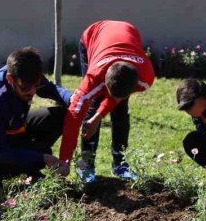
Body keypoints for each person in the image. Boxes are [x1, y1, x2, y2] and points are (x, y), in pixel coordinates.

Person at [0, 47, 72, 191]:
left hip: (13, 128)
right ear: (10, 78)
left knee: (61, 116)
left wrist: (74, 100)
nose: (32, 91)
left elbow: (51, 89)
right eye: (25, 88)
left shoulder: (26, 73)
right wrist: (42, 158)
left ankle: (29, 164)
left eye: (36, 85)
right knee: (40, 154)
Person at [58, 20, 155, 182]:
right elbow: (72, 119)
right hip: (94, 35)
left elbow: (116, 98)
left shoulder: (144, 77)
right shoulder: (93, 80)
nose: (114, 99)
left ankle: (120, 164)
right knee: (92, 105)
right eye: (111, 94)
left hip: (128, 31)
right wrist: (64, 161)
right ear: (105, 83)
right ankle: (87, 164)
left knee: (121, 110)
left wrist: (100, 116)